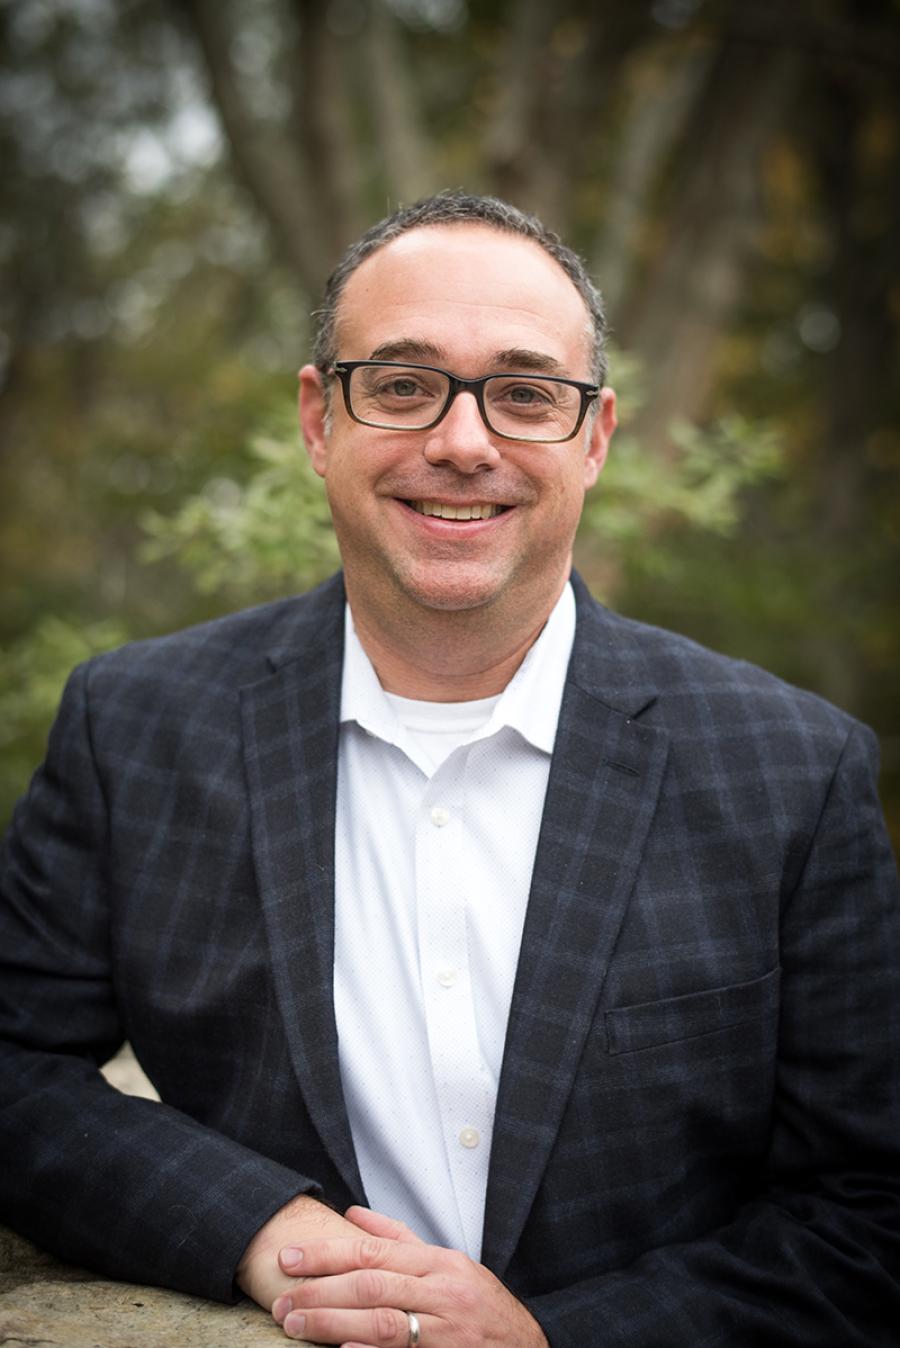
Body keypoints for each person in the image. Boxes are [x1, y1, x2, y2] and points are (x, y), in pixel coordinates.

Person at [1, 191, 898, 1348]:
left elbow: (874, 1207)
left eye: (525, 394)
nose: (462, 442)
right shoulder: (133, 727)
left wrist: (553, 1343)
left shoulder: (793, 768)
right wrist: (262, 1227)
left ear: (597, 437)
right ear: (320, 421)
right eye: (405, 384)